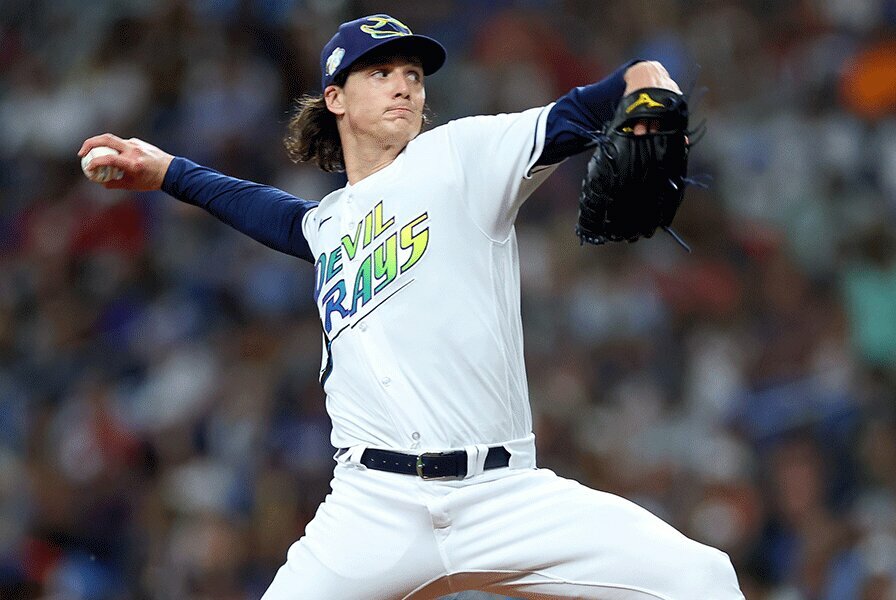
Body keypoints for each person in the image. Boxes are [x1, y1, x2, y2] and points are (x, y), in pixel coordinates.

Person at [79, 13, 744, 600]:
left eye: (413, 75)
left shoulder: (462, 157)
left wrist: (649, 80)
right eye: (380, 73)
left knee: (703, 580)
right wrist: (169, 172)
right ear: (335, 98)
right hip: (372, 507)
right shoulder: (329, 224)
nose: (403, 85)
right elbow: (274, 215)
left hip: (502, 494)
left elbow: (595, 101)